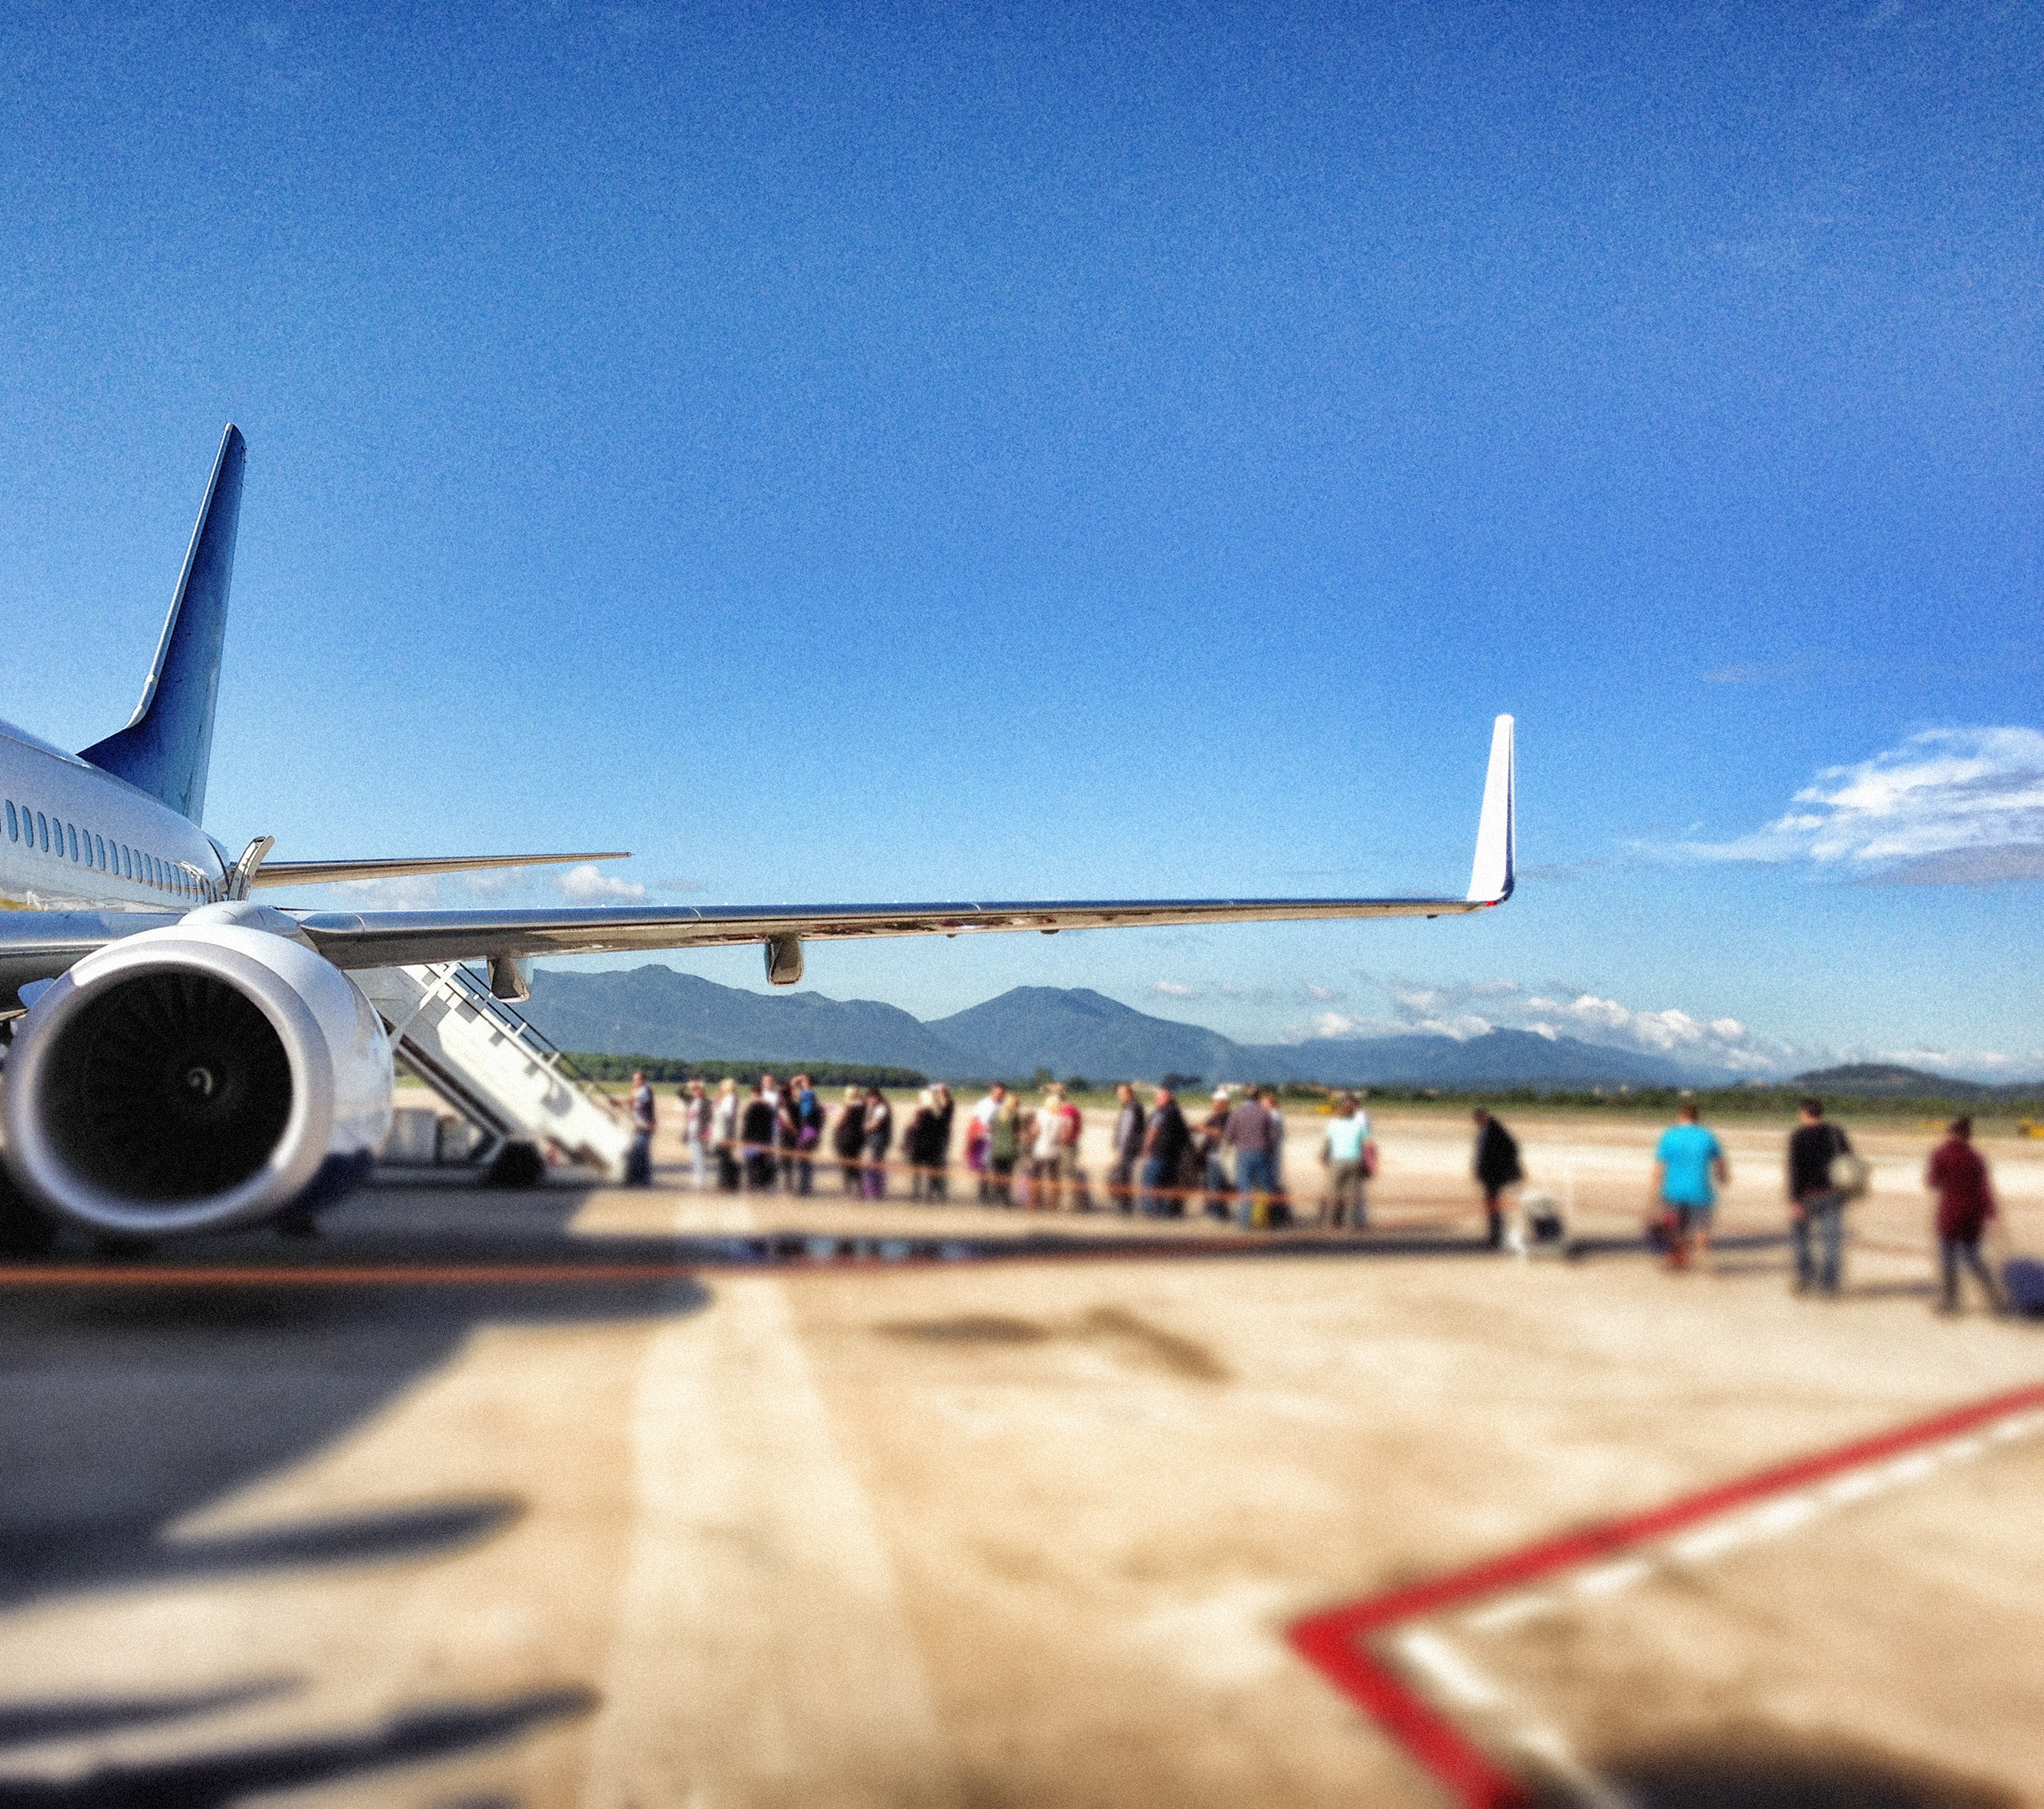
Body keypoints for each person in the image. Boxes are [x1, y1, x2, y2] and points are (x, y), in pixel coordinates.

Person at [1927, 1116, 2005, 1316]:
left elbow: (1933, 1182)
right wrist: (1994, 1216)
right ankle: (1995, 1299)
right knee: (1973, 1258)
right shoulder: (1976, 1157)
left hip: (1950, 1214)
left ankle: (1951, 1303)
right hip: (1973, 1215)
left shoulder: (1942, 1154)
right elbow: (1984, 1188)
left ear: (1953, 1134)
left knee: (1948, 1258)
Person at [1788, 1097, 1852, 1296]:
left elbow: (1795, 1171)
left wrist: (1794, 1200)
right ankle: (1830, 1285)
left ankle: (1805, 1277)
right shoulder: (1836, 1133)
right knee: (1831, 1240)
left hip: (1807, 1194)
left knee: (1801, 1237)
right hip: (1833, 1193)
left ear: (1804, 1113)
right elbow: (1848, 1159)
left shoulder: (1798, 1136)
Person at [1654, 1101, 1729, 1271]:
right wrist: (1723, 1178)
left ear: (1680, 1117)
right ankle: (1701, 1259)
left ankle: (1678, 1258)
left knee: (1672, 1226)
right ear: (1696, 1118)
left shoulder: (1669, 1136)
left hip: (1673, 1192)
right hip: (1700, 1191)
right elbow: (1719, 1163)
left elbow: (1659, 1167)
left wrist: (1654, 1189)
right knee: (1701, 1227)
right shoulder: (1708, 1136)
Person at [1225, 1088, 1282, 1228]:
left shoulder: (1237, 1113)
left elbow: (1228, 1136)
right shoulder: (1265, 1113)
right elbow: (1274, 1137)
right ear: (1258, 1097)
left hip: (1243, 1153)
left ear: (1244, 1097)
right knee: (1265, 1188)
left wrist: (1239, 1141)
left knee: (1245, 1188)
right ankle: (1267, 1220)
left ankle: (1244, 1223)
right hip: (1262, 1153)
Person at [1471, 1108, 1521, 1249]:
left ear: (1483, 1117)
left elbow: (1512, 1148)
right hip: (1488, 1175)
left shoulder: (1495, 1130)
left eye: (1478, 1119)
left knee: (1494, 1206)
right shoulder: (1484, 1131)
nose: (1476, 1122)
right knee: (1492, 1206)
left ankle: (1497, 1238)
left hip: (1495, 1176)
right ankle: (1495, 1236)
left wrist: (1501, 1167)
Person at [1321, 1092, 1372, 1229]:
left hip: (1337, 1160)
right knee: (1351, 1194)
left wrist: (1323, 1158)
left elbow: (1327, 1143)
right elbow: (1368, 1144)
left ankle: (1329, 1222)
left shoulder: (1333, 1124)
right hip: (1355, 1160)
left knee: (1333, 1192)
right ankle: (1348, 1223)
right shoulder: (1359, 1126)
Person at [1139, 1084, 1189, 1218]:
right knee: (1167, 1185)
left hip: (1158, 1153)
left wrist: (1146, 1149)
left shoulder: (1161, 1113)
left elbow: (1153, 1130)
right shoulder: (1176, 1112)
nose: (1155, 1100)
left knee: (1150, 1182)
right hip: (1173, 1156)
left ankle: (1149, 1212)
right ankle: (1165, 1212)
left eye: (1157, 1098)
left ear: (1164, 1098)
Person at [1107, 1083, 1146, 1214]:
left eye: (1121, 1094)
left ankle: (1126, 1208)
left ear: (1128, 1094)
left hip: (1128, 1149)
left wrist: (1121, 1151)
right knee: (1124, 1177)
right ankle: (1125, 1206)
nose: (1119, 1097)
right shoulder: (1132, 1107)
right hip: (1129, 1148)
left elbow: (1127, 1131)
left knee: (1124, 1177)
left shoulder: (1132, 1108)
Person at [1029, 1083, 1068, 1211]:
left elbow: (1034, 1131)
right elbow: (1063, 1137)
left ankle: (1034, 1203)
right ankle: (1053, 1204)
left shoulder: (1041, 1114)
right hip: (1054, 1151)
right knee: (1054, 1179)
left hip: (1040, 1150)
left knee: (1036, 1177)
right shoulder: (1061, 1118)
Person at [1199, 1089, 1235, 1221]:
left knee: (1217, 1186)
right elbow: (1204, 1128)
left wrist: (1204, 1129)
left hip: (1220, 1157)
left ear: (1222, 1103)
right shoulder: (1214, 1116)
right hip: (1210, 1156)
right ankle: (1213, 1211)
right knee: (1210, 1185)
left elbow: (1223, 1133)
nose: (1213, 1103)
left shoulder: (1229, 1117)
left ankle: (1217, 1214)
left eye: (1215, 1101)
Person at [985, 1084, 1020, 1205]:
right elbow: (1017, 1135)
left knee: (996, 1176)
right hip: (1010, 1150)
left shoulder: (996, 1113)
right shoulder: (1015, 1115)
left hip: (996, 1149)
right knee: (1007, 1176)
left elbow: (988, 1127)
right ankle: (1005, 1200)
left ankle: (995, 1199)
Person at [740, 1081, 777, 1191]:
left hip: (752, 1140)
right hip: (764, 1140)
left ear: (754, 1094)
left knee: (752, 1165)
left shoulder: (752, 1107)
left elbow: (747, 1125)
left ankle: (753, 1188)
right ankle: (761, 1187)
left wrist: (744, 1139)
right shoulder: (768, 1107)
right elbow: (771, 1124)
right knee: (761, 1164)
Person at [903, 1089, 940, 1199]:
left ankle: (916, 1194)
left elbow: (917, 1128)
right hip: (931, 1144)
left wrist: (909, 1127)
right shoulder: (934, 1112)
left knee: (917, 1171)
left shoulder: (922, 1112)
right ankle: (928, 1194)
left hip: (919, 1144)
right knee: (929, 1171)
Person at [791, 1074, 822, 1196]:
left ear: (807, 1083)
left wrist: (796, 1079)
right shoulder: (811, 1094)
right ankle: (805, 1187)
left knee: (803, 1159)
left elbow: (793, 1091)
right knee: (805, 1160)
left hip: (807, 1129)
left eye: (803, 1082)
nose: (801, 1084)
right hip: (809, 1128)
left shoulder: (808, 1093)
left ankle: (804, 1188)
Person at [622, 1069, 655, 1186]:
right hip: (639, 1126)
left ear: (643, 1080)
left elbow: (632, 1100)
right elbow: (633, 1104)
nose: (634, 1081)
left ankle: (640, 1179)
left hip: (645, 1126)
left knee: (638, 1153)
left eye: (637, 1079)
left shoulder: (644, 1090)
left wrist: (618, 1101)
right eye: (634, 1079)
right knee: (640, 1154)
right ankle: (641, 1179)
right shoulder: (640, 1090)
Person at [860, 1086, 893, 1199]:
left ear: (874, 1097)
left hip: (878, 1140)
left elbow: (875, 1124)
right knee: (876, 1165)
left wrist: (865, 1126)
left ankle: (874, 1192)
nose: (868, 1101)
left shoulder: (881, 1108)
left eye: (869, 1099)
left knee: (875, 1165)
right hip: (877, 1140)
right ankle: (875, 1191)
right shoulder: (881, 1106)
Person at [832, 1086, 866, 1194]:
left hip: (846, 1138)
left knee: (846, 1164)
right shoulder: (862, 1106)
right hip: (858, 1138)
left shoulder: (848, 1107)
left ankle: (848, 1189)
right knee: (856, 1163)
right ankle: (860, 1188)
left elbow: (840, 1121)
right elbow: (862, 1099)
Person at [711, 1076, 742, 1191]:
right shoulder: (729, 1098)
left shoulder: (730, 1098)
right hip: (725, 1131)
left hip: (725, 1133)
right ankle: (725, 1182)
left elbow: (726, 1115)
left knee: (725, 1158)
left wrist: (717, 1104)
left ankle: (726, 1183)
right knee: (724, 1158)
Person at [681, 1078, 710, 1190]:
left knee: (699, 1158)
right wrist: (686, 1085)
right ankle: (697, 1181)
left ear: (702, 1091)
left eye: (698, 1090)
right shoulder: (691, 1100)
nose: (696, 1092)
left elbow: (709, 1119)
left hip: (700, 1133)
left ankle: (700, 1182)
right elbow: (679, 1093)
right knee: (695, 1157)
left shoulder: (706, 1102)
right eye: (694, 1090)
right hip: (691, 1133)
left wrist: (706, 1133)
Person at [927, 1084, 955, 1200]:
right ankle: (931, 1190)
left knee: (941, 1165)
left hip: (942, 1137)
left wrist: (940, 1094)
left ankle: (941, 1191)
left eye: (940, 1092)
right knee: (932, 1165)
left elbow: (945, 1107)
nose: (938, 1094)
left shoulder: (949, 1103)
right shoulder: (933, 1104)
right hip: (931, 1137)